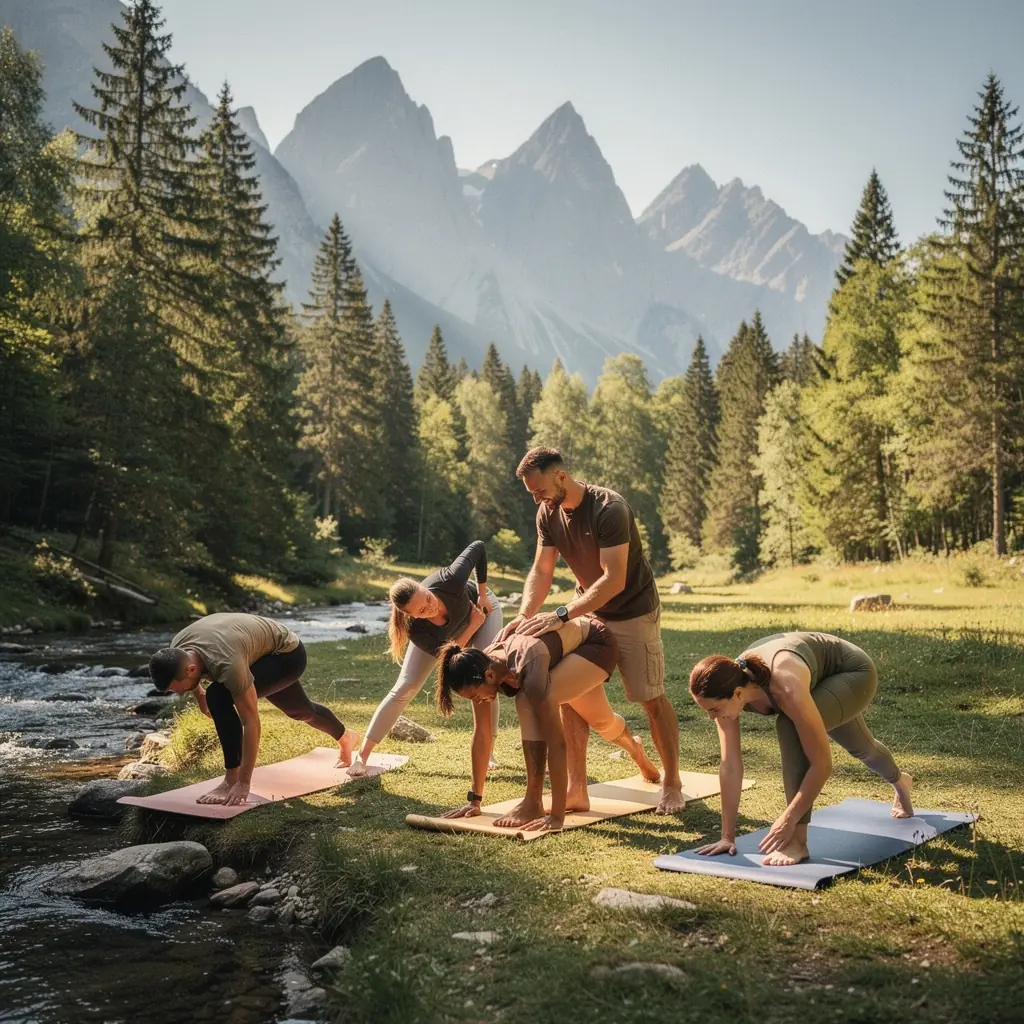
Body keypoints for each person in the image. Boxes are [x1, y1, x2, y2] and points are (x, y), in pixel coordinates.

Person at [511, 446, 684, 815]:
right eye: (532, 494)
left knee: (649, 698)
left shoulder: (610, 509)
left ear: (561, 476)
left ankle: (672, 784)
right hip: (589, 613)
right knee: (571, 693)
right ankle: (576, 789)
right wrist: (525, 614)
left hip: (633, 610)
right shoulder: (548, 512)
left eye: (539, 490)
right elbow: (542, 570)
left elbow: (614, 579)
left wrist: (561, 613)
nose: (537, 500)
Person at [688, 631, 915, 866]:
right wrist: (727, 836)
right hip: (813, 678)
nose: (710, 717)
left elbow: (822, 764)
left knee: (790, 726)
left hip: (851, 673)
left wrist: (789, 819)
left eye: (713, 710)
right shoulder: (728, 686)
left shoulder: (786, 688)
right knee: (863, 748)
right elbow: (730, 766)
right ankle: (901, 782)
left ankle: (797, 843)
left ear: (737, 693)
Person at [436, 616, 661, 831]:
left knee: (528, 700)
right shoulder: (479, 667)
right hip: (559, 654)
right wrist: (475, 800)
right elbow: (483, 734)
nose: (478, 701)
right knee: (603, 721)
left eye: (476, 696)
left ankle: (533, 803)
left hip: (595, 644)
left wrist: (556, 817)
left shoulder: (524, 665)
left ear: (490, 676)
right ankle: (636, 750)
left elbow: (556, 742)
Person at [149, 612, 354, 806]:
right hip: (254, 649)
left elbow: (251, 722)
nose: (180, 694)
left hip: (286, 654)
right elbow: (189, 675)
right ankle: (347, 738)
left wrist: (243, 783)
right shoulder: (178, 649)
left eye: (180, 690)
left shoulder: (228, 664)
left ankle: (231, 779)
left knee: (218, 696)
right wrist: (198, 693)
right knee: (300, 710)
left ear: (192, 670)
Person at [347, 540, 503, 777]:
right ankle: (362, 755)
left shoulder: (450, 579)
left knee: (484, 680)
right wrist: (472, 626)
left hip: (483, 610)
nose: (431, 608)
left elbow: (479, 547)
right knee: (406, 687)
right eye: (421, 611)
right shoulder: (416, 629)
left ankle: (487, 750)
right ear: (409, 615)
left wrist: (482, 594)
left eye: (428, 599)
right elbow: (449, 657)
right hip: (468, 626)